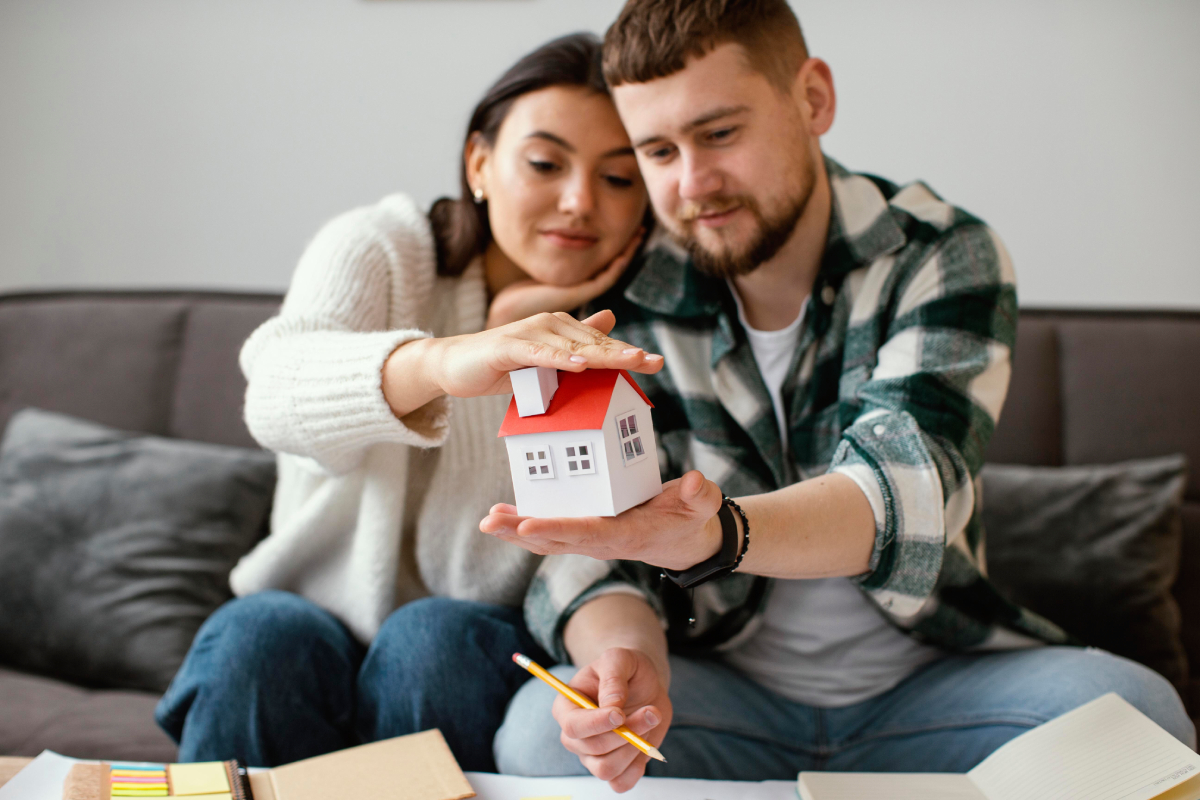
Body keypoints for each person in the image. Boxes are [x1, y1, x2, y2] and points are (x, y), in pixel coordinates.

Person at [483, 1, 1195, 791]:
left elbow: (900, 492)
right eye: (657, 150)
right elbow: (590, 554)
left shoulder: (940, 253)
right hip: (724, 694)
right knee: (539, 740)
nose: (692, 185)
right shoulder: (631, 290)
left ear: (813, 99)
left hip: (937, 687)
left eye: (721, 133)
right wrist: (628, 665)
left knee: (1138, 715)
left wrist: (717, 534)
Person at [154, 32, 664, 771]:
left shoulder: (634, 338)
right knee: (259, 638)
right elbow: (275, 394)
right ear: (480, 163)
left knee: (431, 640)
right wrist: (452, 358)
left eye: (618, 179)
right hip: (302, 619)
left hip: (464, 646)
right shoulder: (382, 248)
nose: (579, 201)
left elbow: (599, 547)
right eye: (546, 164)